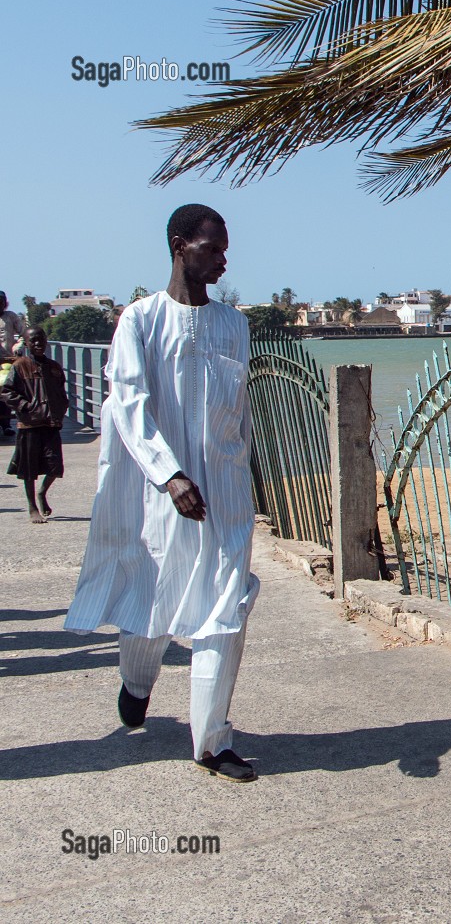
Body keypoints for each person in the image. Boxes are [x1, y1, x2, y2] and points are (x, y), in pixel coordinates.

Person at [65, 204, 261, 783]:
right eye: (212, 248)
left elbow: (239, 412)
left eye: (225, 249)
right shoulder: (140, 320)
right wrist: (169, 474)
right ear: (180, 245)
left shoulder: (235, 324)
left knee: (226, 606)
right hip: (161, 491)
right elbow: (127, 402)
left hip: (223, 492)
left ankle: (211, 741)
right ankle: (137, 682)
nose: (223, 260)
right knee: (153, 597)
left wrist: (245, 481)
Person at [0, 327, 68, 522]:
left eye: (41, 340)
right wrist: (26, 406)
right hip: (30, 424)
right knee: (29, 469)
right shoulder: (20, 366)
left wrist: (61, 409)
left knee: (55, 466)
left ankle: (42, 493)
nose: (38, 344)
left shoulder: (54, 367)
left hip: (51, 423)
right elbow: (7, 392)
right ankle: (32, 507)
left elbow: (62, 393)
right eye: (33, 341)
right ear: (27, 344)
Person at [0, 291, 26, 436]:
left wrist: (19, 345)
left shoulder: (10, 316)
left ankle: (6, 425)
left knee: (6, 391)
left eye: (1, 301)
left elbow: (24, 332)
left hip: (8, 361)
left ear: (5, 303)